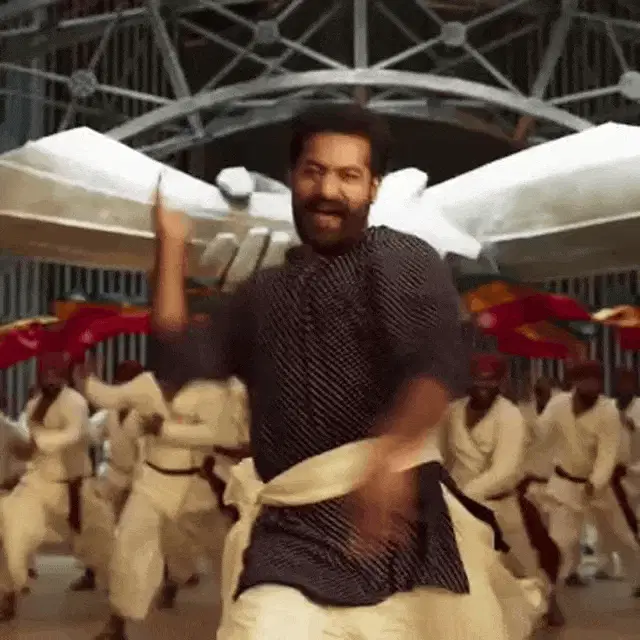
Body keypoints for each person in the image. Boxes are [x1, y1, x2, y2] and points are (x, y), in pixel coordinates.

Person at [149, 103, 544, 640]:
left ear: (373, 187)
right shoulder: (262, 294)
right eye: (314, 171)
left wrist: (389, 457)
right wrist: (171, 248)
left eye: (348, 175)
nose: (328, 190)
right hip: (290, 531)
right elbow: (177, 356)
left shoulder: (399, 258)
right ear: (293, 177)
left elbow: (433, 365)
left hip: (401, 528)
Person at [73, 364, 247, 640]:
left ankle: (241, 617)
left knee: (223, 551)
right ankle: (118, 620)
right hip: (152, 482)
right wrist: (86, 379)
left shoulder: (211, 390)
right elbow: (110, 397)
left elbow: (226, 436)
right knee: (128, 547)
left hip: (195, 486)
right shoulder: (146, 384)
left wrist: (164, 429)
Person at [445, 355, 560, 625]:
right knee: (469, 565)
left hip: (499, 506)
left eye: (490, 382)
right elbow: (442, 455)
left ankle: (546, 602)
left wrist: (464, 494)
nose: (483, 388)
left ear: (501, 383)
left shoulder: (510, 416)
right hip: (459, 507)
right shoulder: (452, 412)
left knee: (523, 566)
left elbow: (505, 469)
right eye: (478, 382)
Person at [0, 352, 94, 619]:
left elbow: (73, 435)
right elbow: (30, 450)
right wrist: (27, 448)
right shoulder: (33, 406)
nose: (50, 378)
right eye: (45, 373)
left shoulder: (76, 402)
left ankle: (118, 612)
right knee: (14, 535)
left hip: (73, 484)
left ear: (64, 375)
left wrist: (39, 440)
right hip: (37, 483)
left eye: (55, 372)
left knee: (99, 547)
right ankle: (9, 593)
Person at [541, 360, 640, 598]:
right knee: (560, 540)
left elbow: (607, 454)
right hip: (565, 483)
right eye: (585, 380)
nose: (591, 385)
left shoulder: (608, 411)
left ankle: (639, 577)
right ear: (575, 382)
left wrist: (595, 483)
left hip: (598, 486)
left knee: (621, 536)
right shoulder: (558, 404)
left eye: (595, 381)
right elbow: (541, 433)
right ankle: (548, 589)